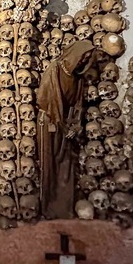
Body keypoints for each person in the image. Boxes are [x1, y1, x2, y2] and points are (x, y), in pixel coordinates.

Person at [36, 41, 96, 219]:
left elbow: (78, 104)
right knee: (49, 164)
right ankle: (48, 207)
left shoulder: (77, 77)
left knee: (66, 164)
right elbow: (44, 99)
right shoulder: (55, 69)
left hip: (66, 125)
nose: (83, 61)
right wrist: (61, 124)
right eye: (82, 56)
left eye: (87, 58)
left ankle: (63, 207)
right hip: (50, 122)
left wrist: (75, 126)